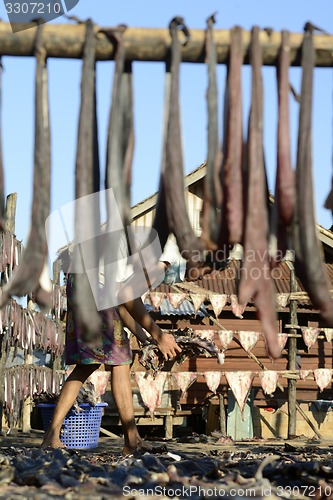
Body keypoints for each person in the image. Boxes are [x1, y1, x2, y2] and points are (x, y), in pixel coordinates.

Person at [41, 264, 181, 454]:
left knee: (93, 364)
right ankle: (131, 442)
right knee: (120, 360)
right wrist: (159, 335)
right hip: (92, 285)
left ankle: (52, 436)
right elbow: (127, 296)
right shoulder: (159, 251)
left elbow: (122, 304)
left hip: (84, 282)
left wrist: (144, 338)